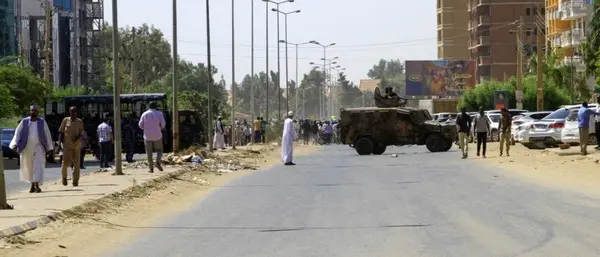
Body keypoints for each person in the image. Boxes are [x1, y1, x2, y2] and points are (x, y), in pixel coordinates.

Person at [9, 105, 53, 193]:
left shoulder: (42, 122)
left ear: (38, 112)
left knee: (38, 164)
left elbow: (47, 134)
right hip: (26, 147)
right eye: (32, 110)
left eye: (36, 111)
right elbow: (17, 133)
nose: (34, 112)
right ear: (30, 111)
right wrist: (14, 144)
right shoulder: (24, 121)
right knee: (29, 166)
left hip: (39, 146)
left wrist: (50, 148)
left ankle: (36, 184)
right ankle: (32, 184)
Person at [58, 106, 84, 186]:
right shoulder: (65, 120)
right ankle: (64, 178)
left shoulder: (79, 122)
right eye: (71, 112)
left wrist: (76, 138)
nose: (73, 113)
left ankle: (75, 181)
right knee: (65, 163)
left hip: (76, 146)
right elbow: (61, 133)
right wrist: (59, 144)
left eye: (74, 111)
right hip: (66, 146)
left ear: (77, 112)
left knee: (76, 164)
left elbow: (81, 134)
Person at [139, 102, 166, 173]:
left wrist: (146, 129)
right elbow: (163, 124)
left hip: (147, 136)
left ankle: (151, 168)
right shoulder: (159, 113)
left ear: (149, 107)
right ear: (156, 107)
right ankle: (157, 162)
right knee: (159, 150)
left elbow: (140, 125)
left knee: (149, 152)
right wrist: (159, 128)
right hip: (157, 135)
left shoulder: (144, 114)